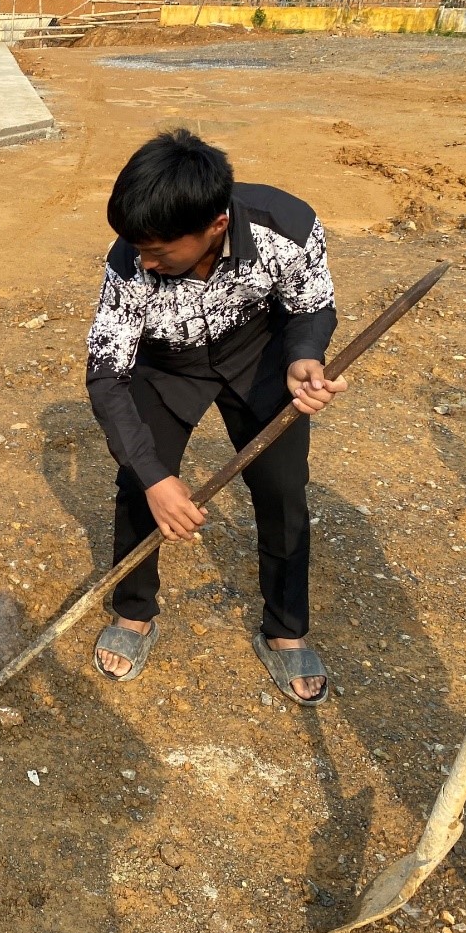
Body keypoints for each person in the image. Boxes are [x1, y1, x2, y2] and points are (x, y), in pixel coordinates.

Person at [86, 128, 347, 704]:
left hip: (258, 356)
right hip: (165, 361)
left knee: (282, 491)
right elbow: (107, 374)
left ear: (217, 225)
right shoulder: (131, 261)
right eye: (136, 246)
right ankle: (133, 613)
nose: (144, 258)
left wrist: (305, 355)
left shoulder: (289, 227)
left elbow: (312, 307)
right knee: (137, 482)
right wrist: (157, 478)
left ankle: (285, 628)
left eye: (158, 249)